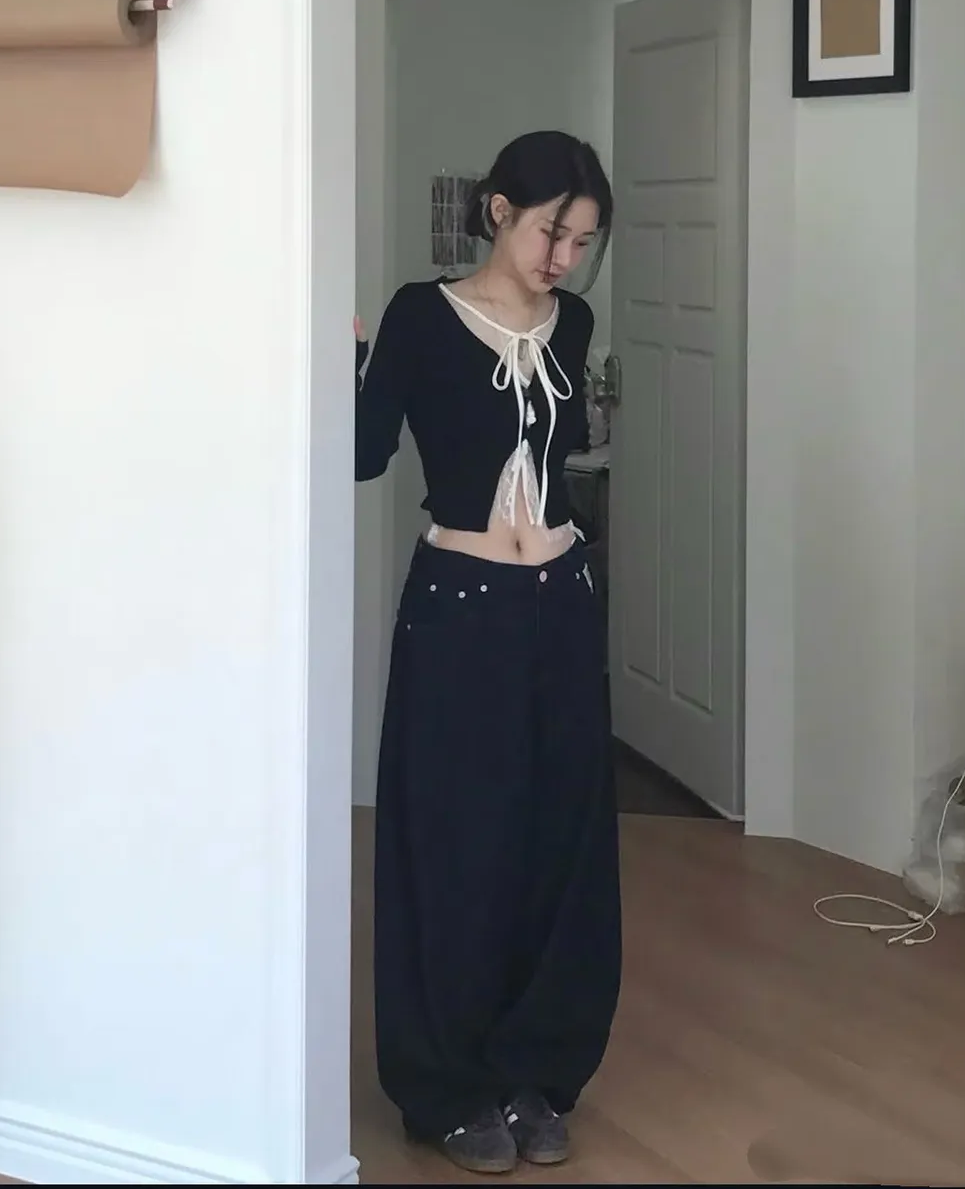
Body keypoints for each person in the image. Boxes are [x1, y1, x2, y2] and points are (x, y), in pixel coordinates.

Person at [354, 131, 622, 1175]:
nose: (565, 258)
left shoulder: (574, 323)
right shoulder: (422, 316)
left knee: (558, 845)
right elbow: (365, 454)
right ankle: (447, 1085)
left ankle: (533, 1069)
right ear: (499, 211)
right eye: (553, 232)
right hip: (458, 608)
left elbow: (558, 454)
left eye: (584, 242)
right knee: (456, 843)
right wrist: (335, 367)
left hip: (562, 603)